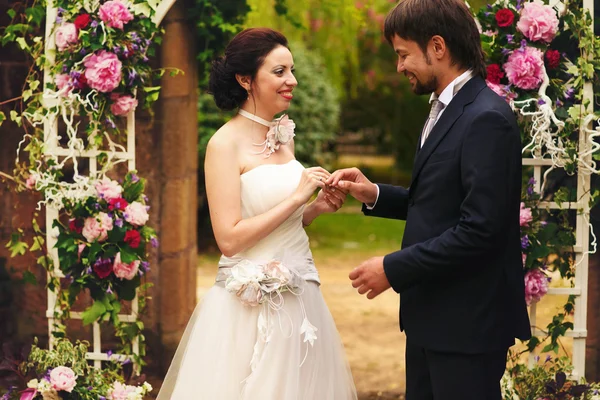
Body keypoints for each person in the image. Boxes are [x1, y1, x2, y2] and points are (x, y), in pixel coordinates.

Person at [327, 1, 531, 399]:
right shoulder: (444, 108)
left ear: (437, 47)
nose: (399, 67)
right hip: (431, 320)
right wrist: (376, 195)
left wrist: (392, 268)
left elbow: (479, 230)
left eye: (403, 55)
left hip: (468, 327)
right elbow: (439, 203)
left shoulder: (485, 117)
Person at [156, 28, 357, 400]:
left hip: (302, 296)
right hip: (248, 306)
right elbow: (229, 239)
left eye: (291, 70)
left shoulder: (284, 135)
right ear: (245, 79)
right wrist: (297, 198)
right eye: (279, 72)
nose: (292, 81)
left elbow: (276, 219)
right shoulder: (223, 145)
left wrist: (313, 210)